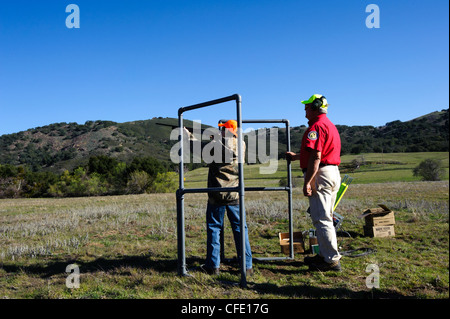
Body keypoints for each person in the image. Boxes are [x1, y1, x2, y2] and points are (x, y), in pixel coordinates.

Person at [286, 94, 342, 271]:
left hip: (320, 174)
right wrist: (296, 157)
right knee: (325, 216)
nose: (304, 109)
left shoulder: (316, 127)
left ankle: (331, 260)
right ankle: (325, 255)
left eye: (307, 106)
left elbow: (316, 157)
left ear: (315, 107)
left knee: (322, 219)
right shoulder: (329, 125)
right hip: (332, 172)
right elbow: (317, 153)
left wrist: (308, 182)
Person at [201, 120, 253, 276]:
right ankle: (247, 266)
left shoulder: (219, 145)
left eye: (222, 129)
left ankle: (213, 265)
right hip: (235, 193)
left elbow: (200, 152)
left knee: (214, 228)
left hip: (217, 194)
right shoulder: (241, 143)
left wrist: (189, 137)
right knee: (240, 229)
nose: (220, 131)